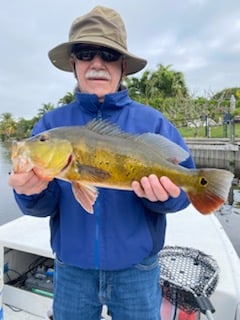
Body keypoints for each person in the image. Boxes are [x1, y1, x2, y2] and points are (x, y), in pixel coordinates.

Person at [8, 6, 195, 320]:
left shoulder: (152, 123)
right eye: (85, 53)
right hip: (71, 270)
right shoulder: (51, 126)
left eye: (108, 54)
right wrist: (30, 192)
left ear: (123, 66)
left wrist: (170, 195)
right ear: (74, 64)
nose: (97, 63)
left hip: (137, 269)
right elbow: (42, 206)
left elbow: (189, 188)